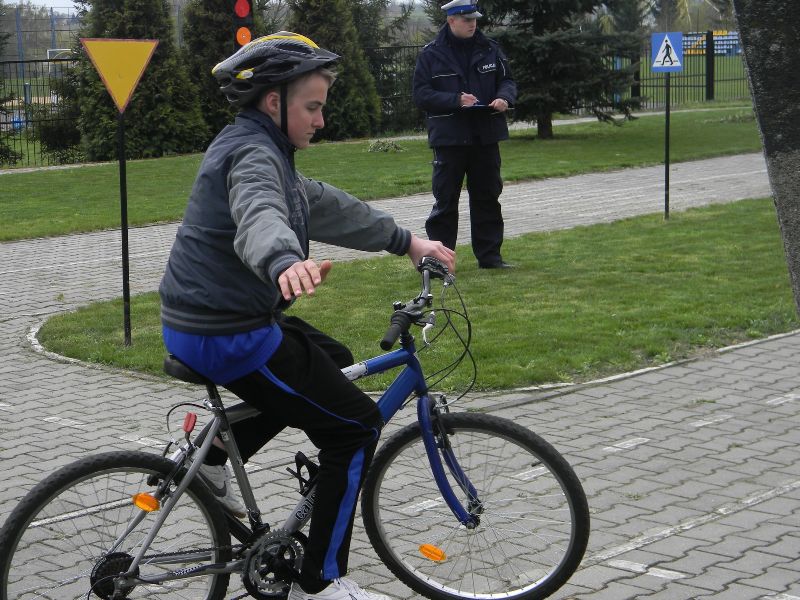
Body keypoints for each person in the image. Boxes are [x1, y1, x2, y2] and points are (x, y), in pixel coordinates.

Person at [158, 32, 455, 600]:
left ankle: (217, 460)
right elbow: (259, 213)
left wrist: (407, 242)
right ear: (275, 102)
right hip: (228, 335)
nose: (322, 118)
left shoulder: (261, 147)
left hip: (213, 320)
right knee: (356, 427)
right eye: (313, 106)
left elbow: (317, 202)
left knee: (336, 362)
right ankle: (324, 580)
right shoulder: (252, 156)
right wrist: (283, 261)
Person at [412, 0, 517, 269]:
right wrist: (455, 100)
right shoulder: (431, 55)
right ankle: (439, 262)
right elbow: (421, 95)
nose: (472, 24)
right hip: (450, 139)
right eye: (466, 19)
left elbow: (507, 81)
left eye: (474, 19)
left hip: (485, 136)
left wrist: (504, 97)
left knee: (487, 197)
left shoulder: (490, 48)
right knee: (446, 201)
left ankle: (490, 257)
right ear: (451, 21)